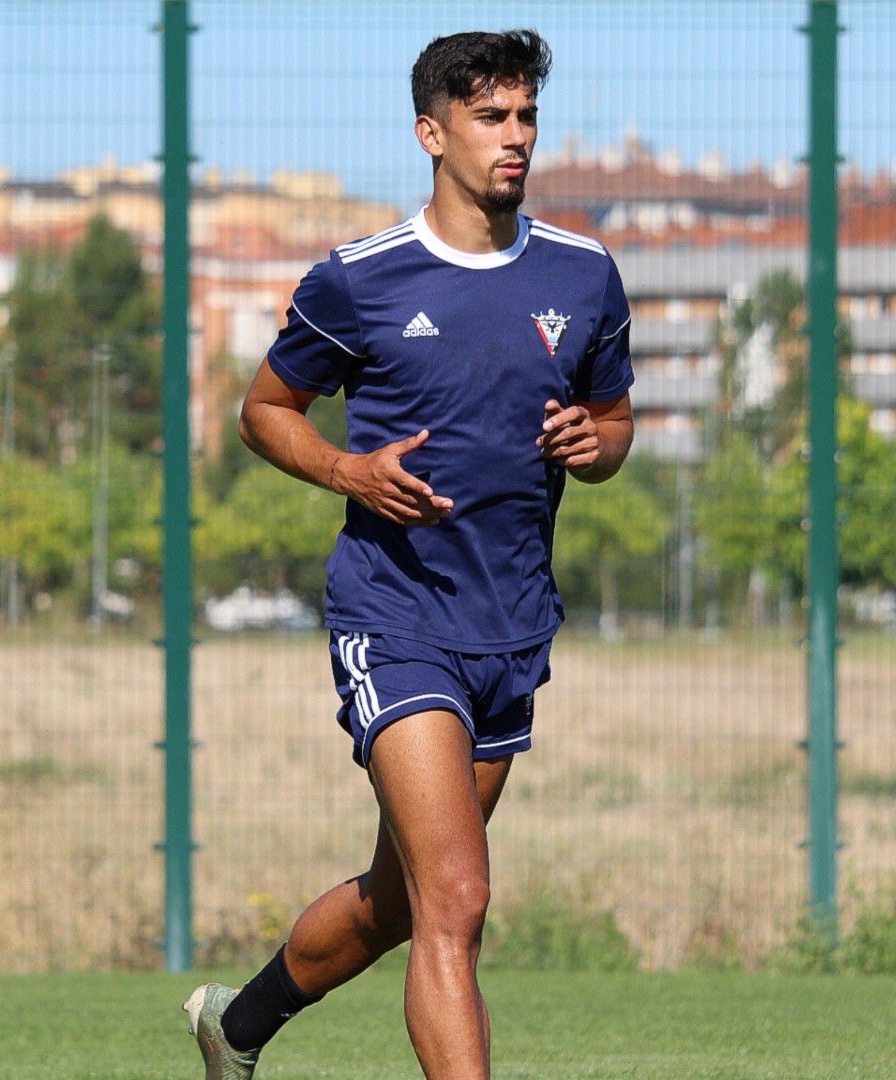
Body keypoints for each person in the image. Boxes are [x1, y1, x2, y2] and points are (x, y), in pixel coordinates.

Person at [184, 28, 634, 1080]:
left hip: (511, 627)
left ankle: (234, 1028)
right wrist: (350, 473)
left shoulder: (584, 273)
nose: (515, 137)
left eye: (525, 116)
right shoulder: (361, 281)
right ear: (433, 133)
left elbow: (614, 424)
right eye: (491, 117)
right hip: (396, 620)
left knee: (404, 899)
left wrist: (595, 444)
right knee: (460, 899)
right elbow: (264, 410)